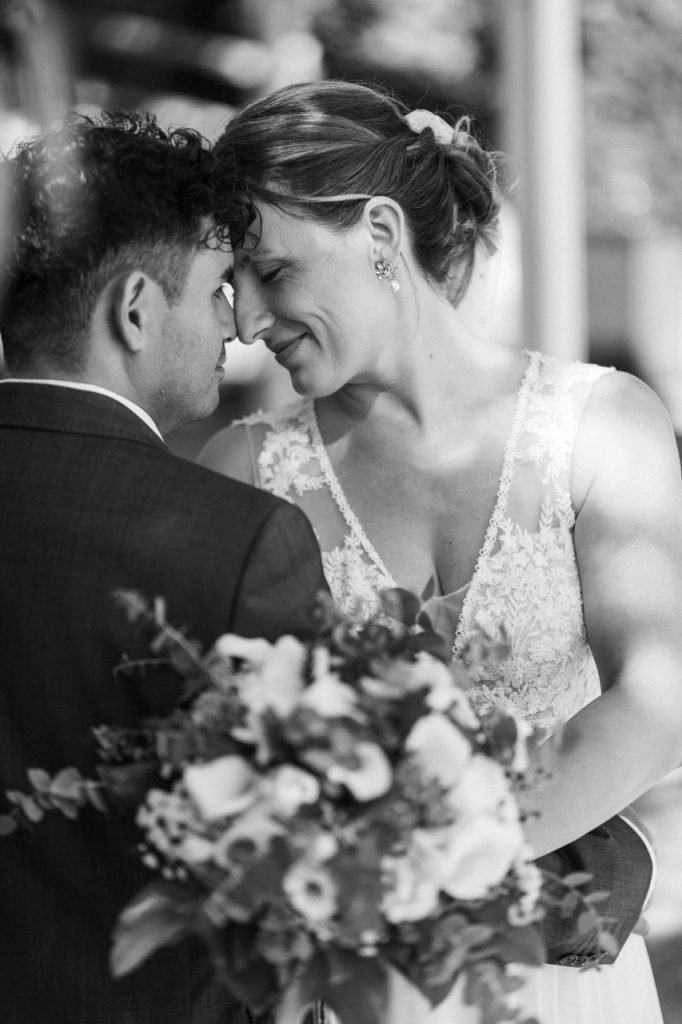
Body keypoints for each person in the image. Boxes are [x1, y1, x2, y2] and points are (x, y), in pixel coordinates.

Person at [199, 80, 682, 1023]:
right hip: (343, 986)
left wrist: (437, 870)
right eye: (231, 288)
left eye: (273, 272)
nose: (250, 321)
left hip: (553, 977)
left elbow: (659, 702)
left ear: (378, 235)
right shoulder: (244, 469)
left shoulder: (601, 428)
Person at [0, 111, 327, 1024]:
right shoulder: (242, 541)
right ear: (136, 310)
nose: (242, 324)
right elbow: (305, 869)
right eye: (220, 288)